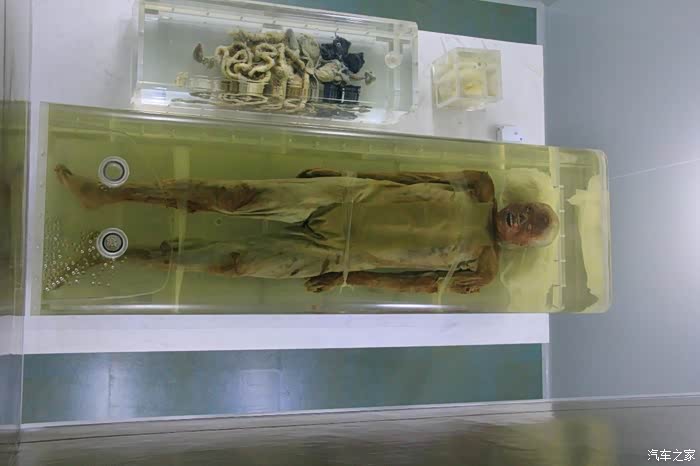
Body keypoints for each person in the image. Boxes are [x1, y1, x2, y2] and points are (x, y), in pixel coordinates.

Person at [54, 164, 559, 295]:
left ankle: (116, 255)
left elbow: (417, 283)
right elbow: (409, 177)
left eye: (529, 226)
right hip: (346, 196)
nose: (520, 218)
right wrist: (345, 174)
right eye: (527, 209)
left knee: (235, 262)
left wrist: (348, 277)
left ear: (524, 244)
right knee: (233, 195)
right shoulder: (480, 187)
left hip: (337, 254)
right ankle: (110, 194)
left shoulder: (483, 267)